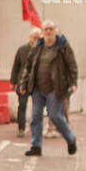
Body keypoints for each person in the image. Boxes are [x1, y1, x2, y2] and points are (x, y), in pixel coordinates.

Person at [22, 20, 78, 156]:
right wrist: (24, 83)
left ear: (55, 31)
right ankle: (36, 146)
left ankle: (71, 139)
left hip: (55, 88)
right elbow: (29, 66)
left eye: (51, 29)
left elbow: (72, 65)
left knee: (55, 116)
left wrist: (73, 82)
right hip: (37, 89)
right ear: (42, 32)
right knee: (35, 117)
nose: (48, 31)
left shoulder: (62, 46)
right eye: (46, 29)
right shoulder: (38, 46)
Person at [11, 27, 41, 137]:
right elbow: (16, 66)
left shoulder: (42, 50)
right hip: (22, 82)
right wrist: (13, 82)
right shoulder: (22, 50)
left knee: (37, 107)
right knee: (22, 105)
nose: (36, 39)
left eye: (38, 38)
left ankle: (36, 128)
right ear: (30, 37)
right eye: (34, 37)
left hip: (37, 84)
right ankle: (21, 128)